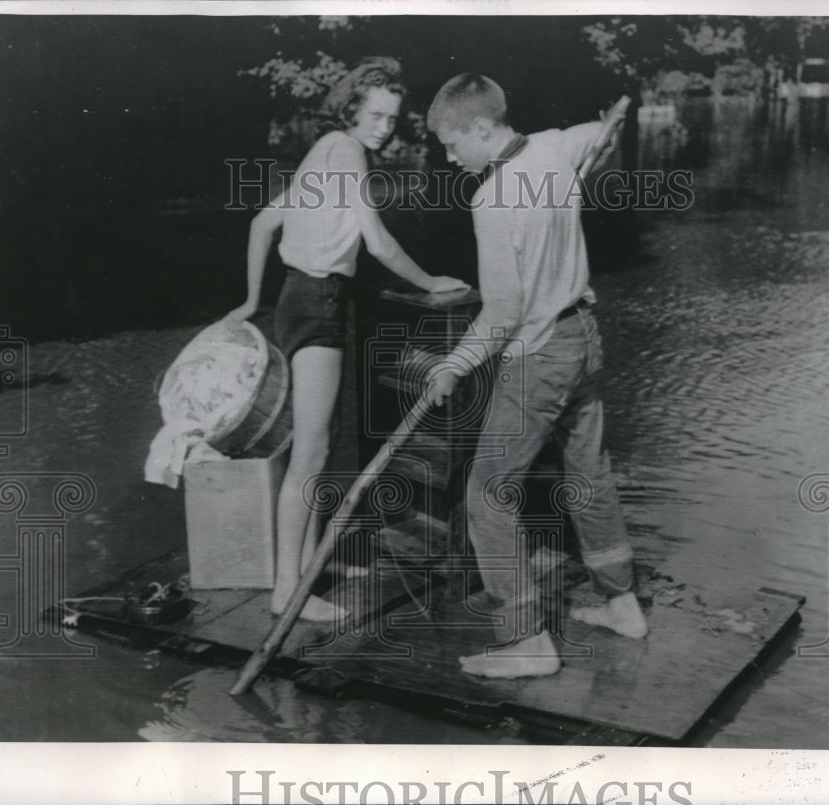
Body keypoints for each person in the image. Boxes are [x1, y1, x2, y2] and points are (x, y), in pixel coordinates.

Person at [227, 57, 468, 619]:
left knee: (314, 447)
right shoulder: (348, 152)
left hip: (296, 300)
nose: (384, 126)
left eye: (393, 117)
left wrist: (250, 300)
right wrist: (431, 280)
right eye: (376, 114)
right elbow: (378, 243)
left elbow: (263, 222)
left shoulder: (324, 152)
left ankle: (305, 571)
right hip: (321, 305)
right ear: (352, 109)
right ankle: (289, 593)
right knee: (310, 454)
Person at [424, 73, 648, 678]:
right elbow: (604, 132)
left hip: (541, 354)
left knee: (489, 493)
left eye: (451, 144)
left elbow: (502, 314)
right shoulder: (555, 145)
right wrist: (615, 119)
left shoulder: (491, 201)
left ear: (481, 128)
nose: (449, 158)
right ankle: (622, 603)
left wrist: (453, 364)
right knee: (587, 471)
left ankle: (526, 641)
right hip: (585, 338)